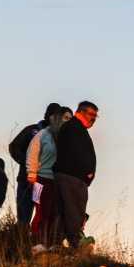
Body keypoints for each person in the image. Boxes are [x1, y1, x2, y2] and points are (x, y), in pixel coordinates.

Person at [9, 102, 62, 230]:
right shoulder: (31, 130)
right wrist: (26, 163)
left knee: (43, 214)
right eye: (53, 115)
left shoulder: (59, 134)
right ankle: (22, 244)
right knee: (24, 215)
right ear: (48, 116)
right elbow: (14, 147)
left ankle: (38, 244)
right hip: (27, 180)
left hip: (46, 181)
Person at [27, 106, 73, 252]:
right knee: (41, 211)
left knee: (57, 212)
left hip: (60, 180)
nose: (67, 121)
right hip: (41, 178)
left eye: (70, 119)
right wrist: (31, 173)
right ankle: (38, 243)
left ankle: (54, 243)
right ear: (57, 118)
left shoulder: (68, 137)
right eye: (65, 118)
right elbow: (32, 153)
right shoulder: (42, 135)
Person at [54, 101, 99, 249]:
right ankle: (76, 244)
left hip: (73, 177)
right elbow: (76, 152)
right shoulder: (73, 128)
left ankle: (60, 243)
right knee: (74, 211)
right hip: (72, 177)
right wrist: (86, 173)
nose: (93, 119)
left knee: (70, 211)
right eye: (91, 114)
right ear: (80, 112)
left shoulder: (75, 128)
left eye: (95, 116)